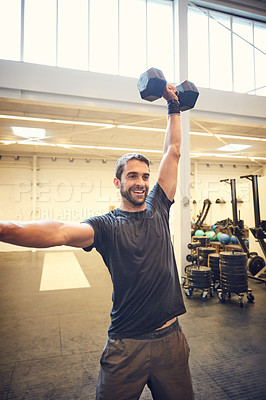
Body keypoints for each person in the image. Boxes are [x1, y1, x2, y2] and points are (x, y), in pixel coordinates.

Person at [0, 83, 194, 400]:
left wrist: (173, 106)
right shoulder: (105, 226)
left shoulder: (159, 206)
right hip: (126, 344)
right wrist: (4, 229)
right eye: (132, 176)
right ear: (118, 182)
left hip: (171, 341)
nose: (141, 182)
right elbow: (58, 231)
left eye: (145, 176)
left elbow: (172, 151)